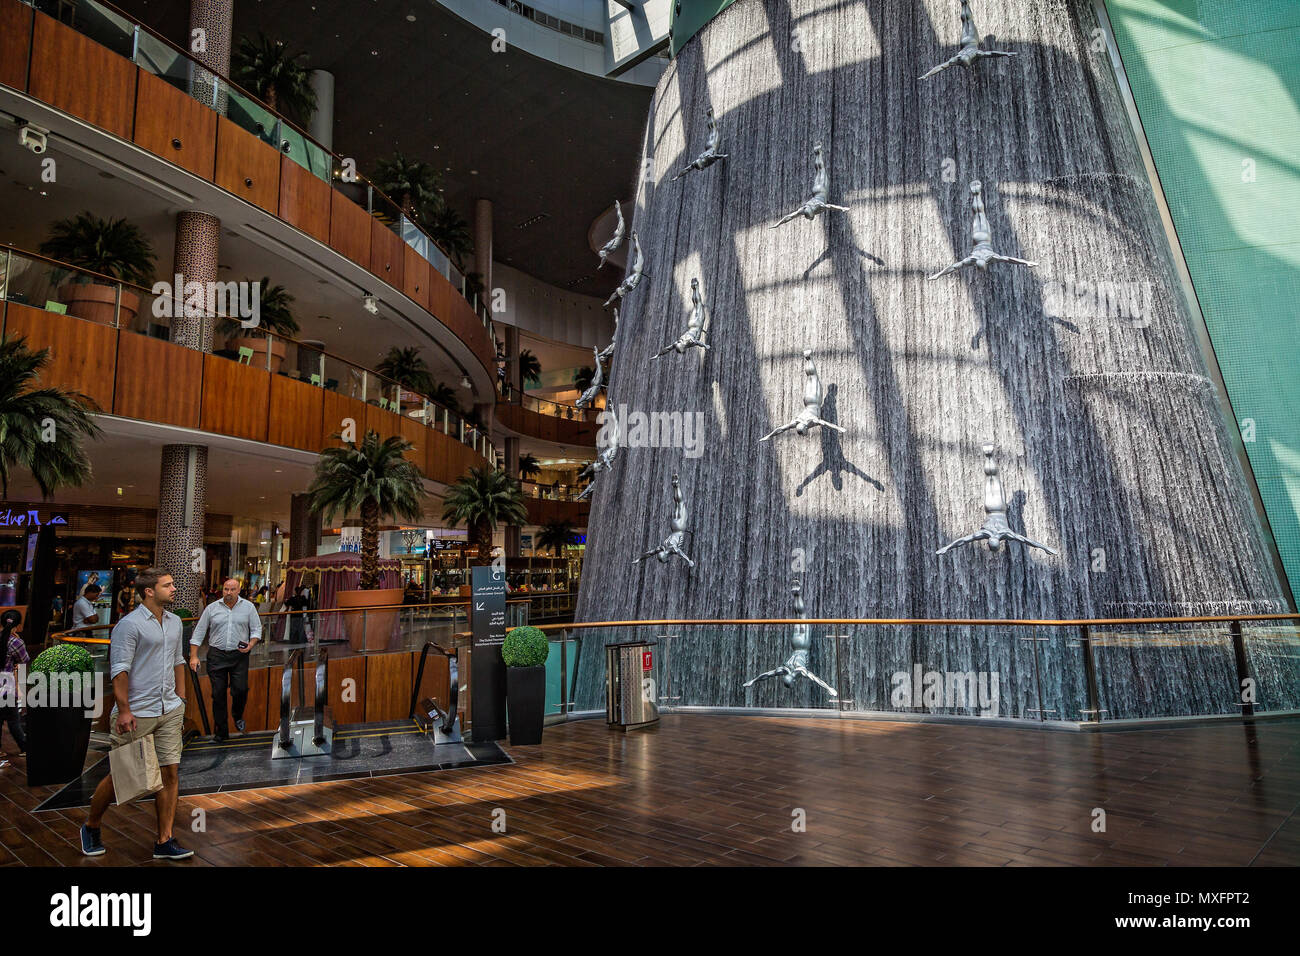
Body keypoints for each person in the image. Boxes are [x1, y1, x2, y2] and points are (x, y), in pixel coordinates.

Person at [80, 568, 193, 861]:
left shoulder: (175, 622)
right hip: (138, 711)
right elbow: (119, 670)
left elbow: (178, 661)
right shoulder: (129, 626)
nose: (174, 589)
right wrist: (125, 710)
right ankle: (91, 825)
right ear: (149, 592)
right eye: (167, 585)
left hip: (169, 708)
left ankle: (164, 840)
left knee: (170, 772)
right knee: (124, 775)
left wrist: (181, 698)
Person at [189, 578, 262, 741]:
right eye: (226, 590)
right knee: (218, 694)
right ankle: (221, 731)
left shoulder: (248, 607)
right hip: (217, 655)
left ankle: (237, 715)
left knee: (241, 689)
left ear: (239, 590)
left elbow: (257, 629)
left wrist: (251, 644)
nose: (228, 593)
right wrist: (193, 656)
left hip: (240, 655)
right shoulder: (212, 608)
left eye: (232, 589)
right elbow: (199, 632)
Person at [0, 609, 29, 767]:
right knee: (13, 719)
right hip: (6, 686)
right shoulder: (16, 642)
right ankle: (24, 747)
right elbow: (24, 660)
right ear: (17, 626)